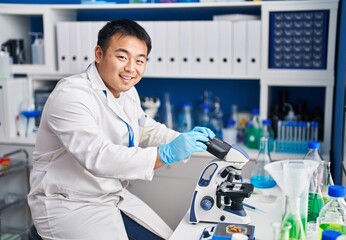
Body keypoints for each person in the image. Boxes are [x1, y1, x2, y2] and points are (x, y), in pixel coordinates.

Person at [27, 19, 215, 240]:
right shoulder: (71, 95)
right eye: (122, 57)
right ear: (99, 54)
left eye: (139, 60)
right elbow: (98, 156)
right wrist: (166, 154)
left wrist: (184, 139)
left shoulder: (127, 92)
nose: (130, 68)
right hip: (68, 205)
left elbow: (145, 128)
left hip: (109, 195)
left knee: (167, 237)